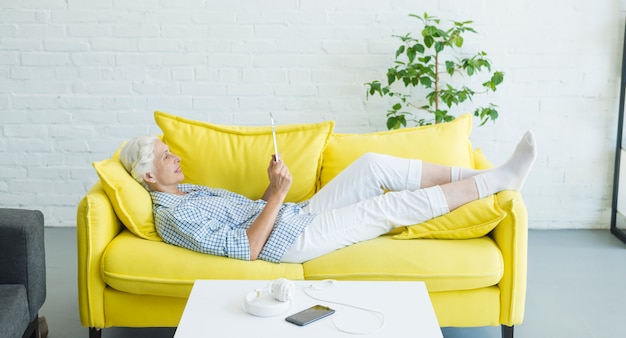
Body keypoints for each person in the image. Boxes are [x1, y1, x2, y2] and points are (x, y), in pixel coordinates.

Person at [120, 131, 537, 264]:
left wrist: (273, 187)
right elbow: (246, 248)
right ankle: (498, 181)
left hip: (293, 215)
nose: (174, 155)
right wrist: (278, 197)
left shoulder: (187, 190)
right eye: (164, 155)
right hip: (289, 242)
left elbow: (247, 217)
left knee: (371, 165)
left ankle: (488, 175)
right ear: (149, 175)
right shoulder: (173, 215)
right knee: (385, 208)